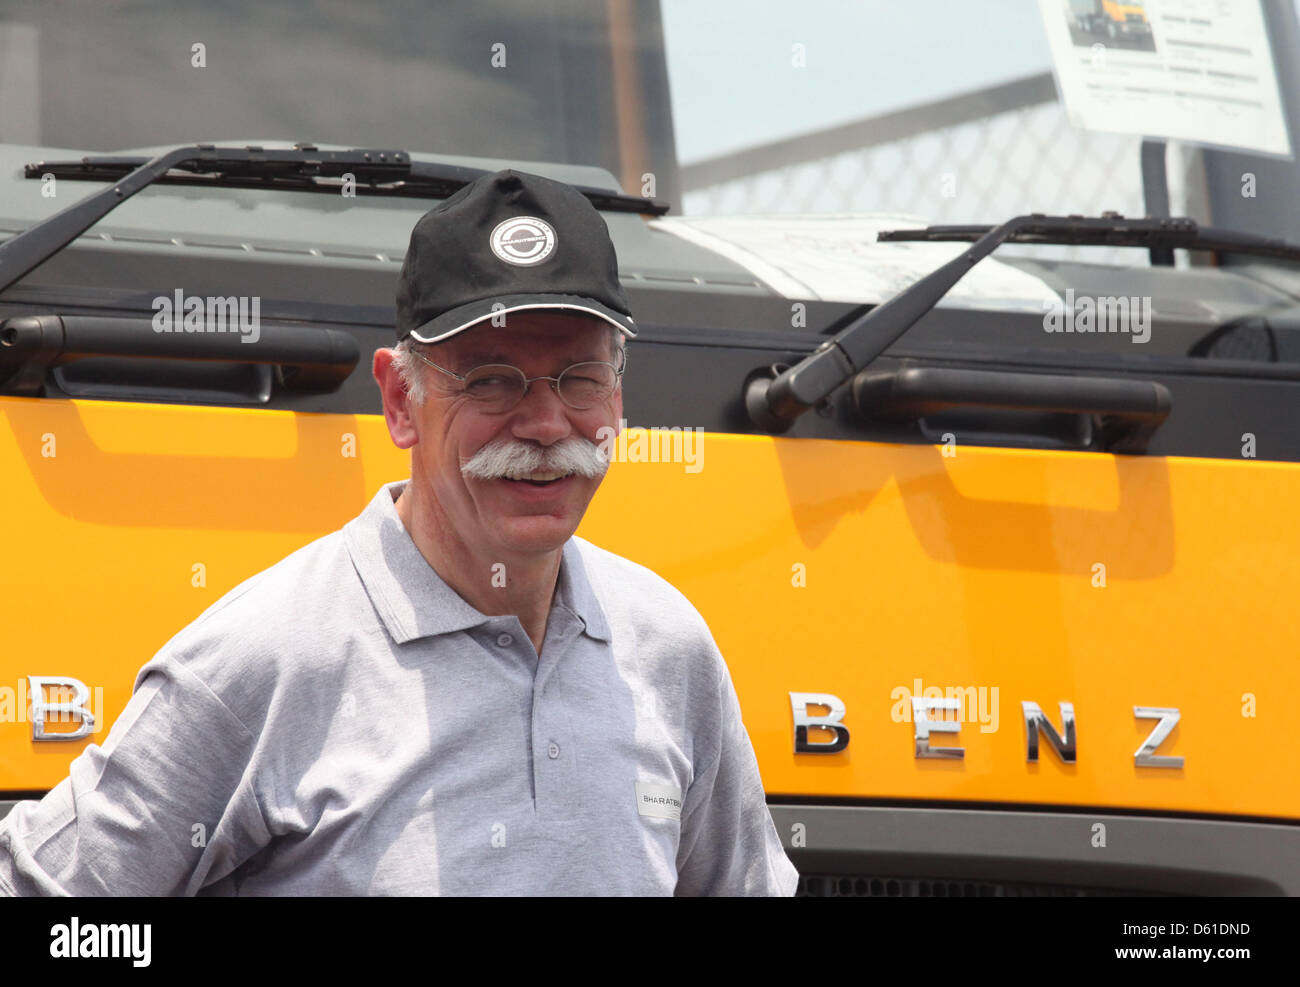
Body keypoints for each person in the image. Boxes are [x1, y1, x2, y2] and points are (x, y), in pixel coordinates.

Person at [0, 169, 800, 896]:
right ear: (399, 402)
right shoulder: (261, 661)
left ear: (619, 398)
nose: (548, 421)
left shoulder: (668, 649)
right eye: (492, 379)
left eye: (580, 377)